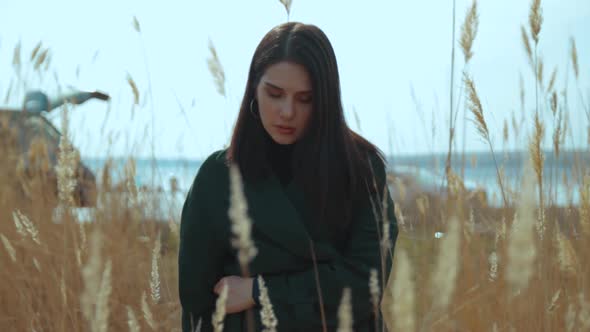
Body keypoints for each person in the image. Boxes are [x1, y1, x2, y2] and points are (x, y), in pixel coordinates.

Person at [178, 22, 398, 332]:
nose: (286, 111)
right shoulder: (217, 178)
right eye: (275, 94)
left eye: (305, 99)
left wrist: (258, 291)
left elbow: (364, 289)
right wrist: (322, 286)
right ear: (254, 87)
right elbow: (198, 307)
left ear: (325, 100)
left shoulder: (361, 170)